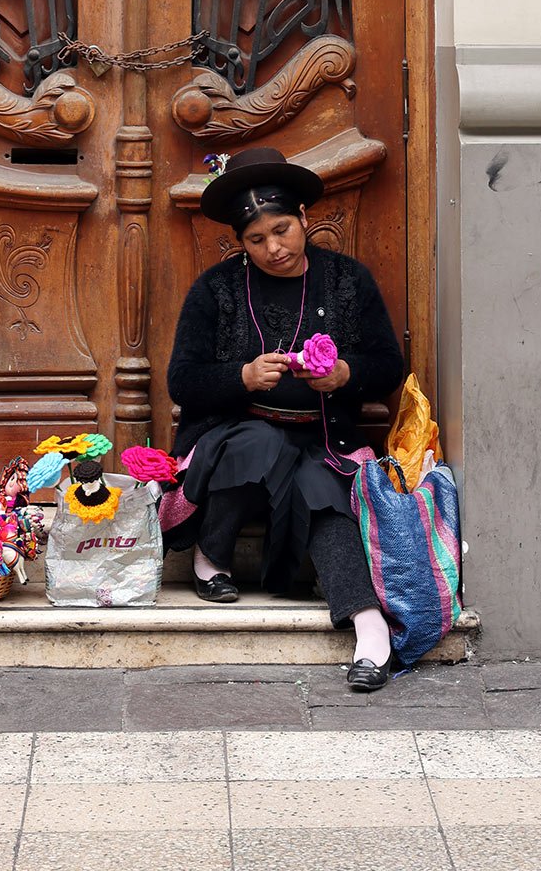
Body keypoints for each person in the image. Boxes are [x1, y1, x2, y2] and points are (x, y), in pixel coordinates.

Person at [165, 145, 403, 692]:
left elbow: (388, 364)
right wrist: (243, 377)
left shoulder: (347, 280)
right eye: (256, 239)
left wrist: (344, 374)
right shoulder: (217, 289)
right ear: (240, 242)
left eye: (282, 230)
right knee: (260, 443)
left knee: (322, 489)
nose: (273, 248)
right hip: (237, 437)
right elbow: (183, 380)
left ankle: (370, 631)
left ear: (303, 218)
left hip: (324, 438)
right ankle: (212, 557)